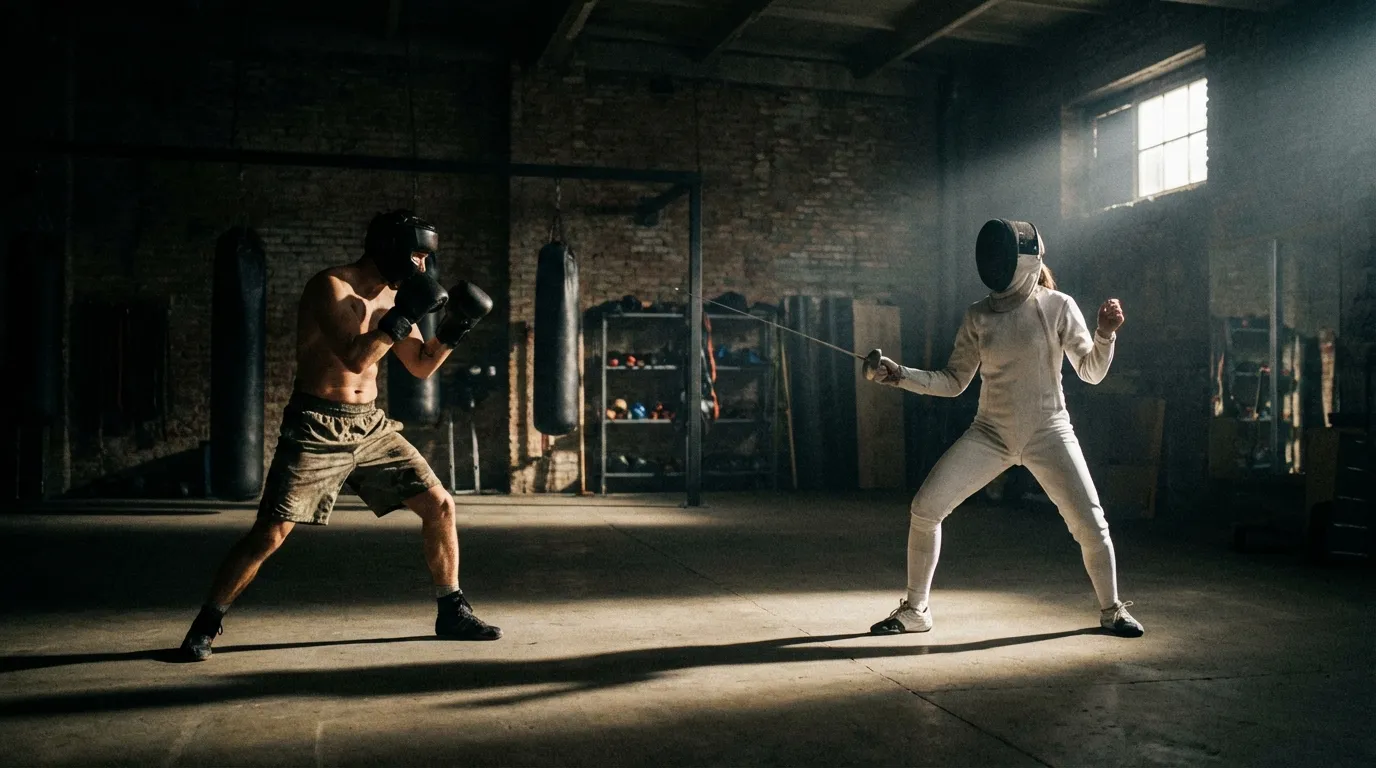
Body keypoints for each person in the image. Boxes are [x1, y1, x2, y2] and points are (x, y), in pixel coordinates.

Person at [179, 210, 500, 661]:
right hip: (316, 423)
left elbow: (422, 365)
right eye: (417, 255)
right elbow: (355, 358)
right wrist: (403, 314)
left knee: (441, 504)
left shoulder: (396, 296)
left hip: (369, 425)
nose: (424, 267)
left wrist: (454, 329)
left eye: (429, 258)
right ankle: (206, 623)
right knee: (271, 532)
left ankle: (452, 608)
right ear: (388, 248)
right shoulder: (331, 287)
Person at [864, 219, 1144, 638]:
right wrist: (899, 374)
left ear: (1025, 260)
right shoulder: (978, 316)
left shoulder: (1057, 306)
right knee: (925, 509)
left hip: (1049, 432)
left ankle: (1112, 610)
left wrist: (1104, 335)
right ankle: (916, 610)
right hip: (990, 433)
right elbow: (954, 381)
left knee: (1091, 523)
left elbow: (1091, 372)